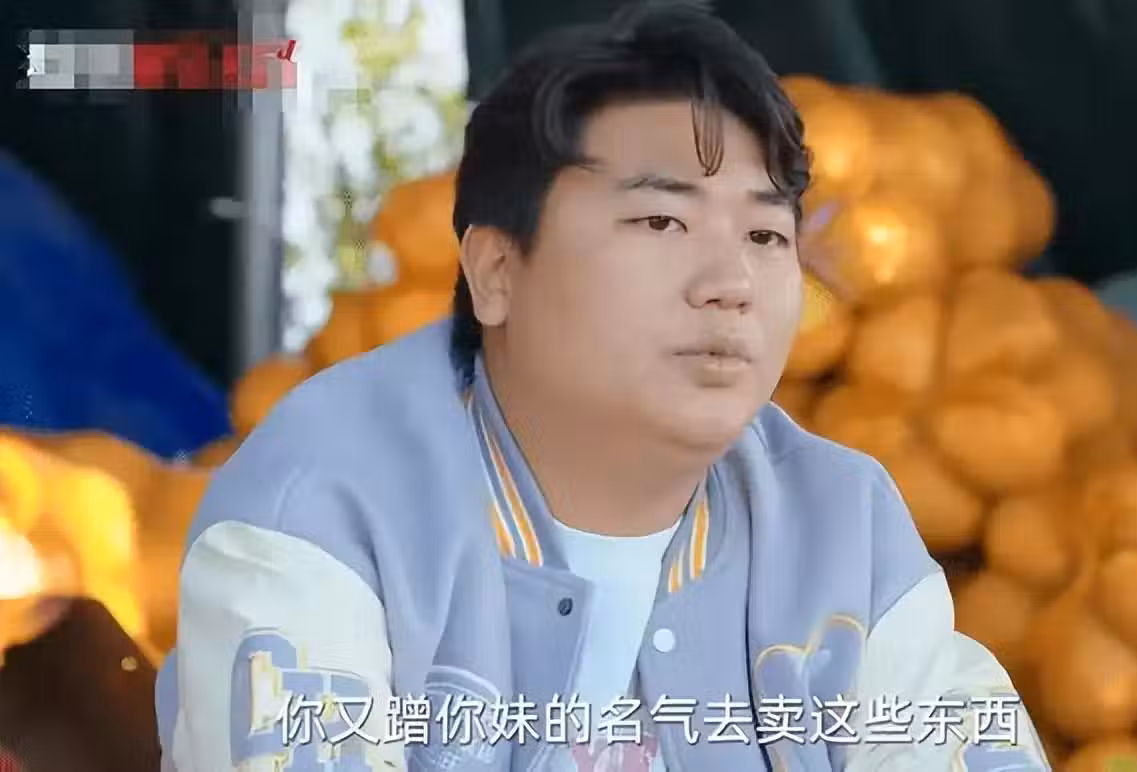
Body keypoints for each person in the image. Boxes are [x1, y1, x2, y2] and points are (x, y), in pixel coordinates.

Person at [155, 2, 1051, 770]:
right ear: (496, 271)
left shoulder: (844, 526)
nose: (729, 282)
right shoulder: (323, 509)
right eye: (660, 221)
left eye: (765, 237)